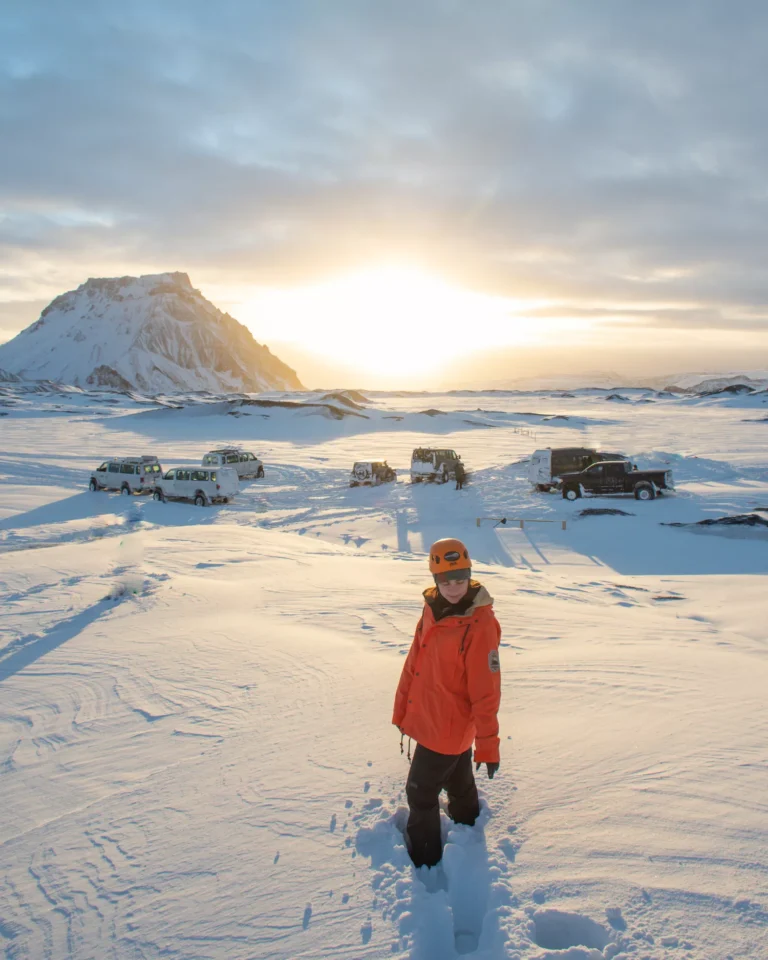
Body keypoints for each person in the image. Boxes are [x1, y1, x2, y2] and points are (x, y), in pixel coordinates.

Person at [392, 538, 502, 869]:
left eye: (459, 579)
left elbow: (487, 690)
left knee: (420, 791)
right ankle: (467, 821)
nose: (453, 588)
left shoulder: (479, 624)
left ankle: (426, 860)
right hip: (431, 716)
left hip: (449, 727)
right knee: (457, 776)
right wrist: (403, 710)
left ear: (469, 576)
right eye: (445, 581)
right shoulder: (432, 608)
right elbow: (415, 661)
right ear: (435, 580)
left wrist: (488, 745)